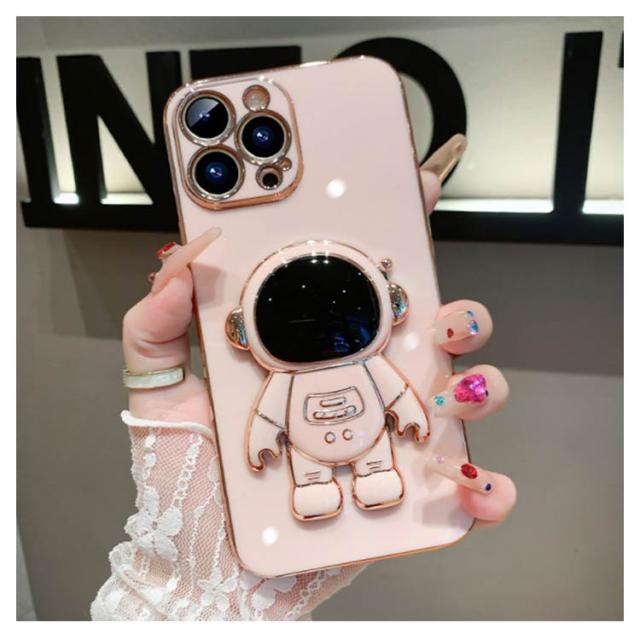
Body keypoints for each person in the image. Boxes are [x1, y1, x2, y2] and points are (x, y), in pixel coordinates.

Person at [90, 167, 517, 621]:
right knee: (314, 478)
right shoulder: (291, 377)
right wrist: (207, 580)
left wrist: (417, 413)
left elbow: (396, 395)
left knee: (374, 466)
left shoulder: (361, 366)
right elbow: (270, 417)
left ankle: (366, 475)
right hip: (311, 449)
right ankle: (317, 484)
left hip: (364, 439)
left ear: (392, 304)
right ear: (241, 332)